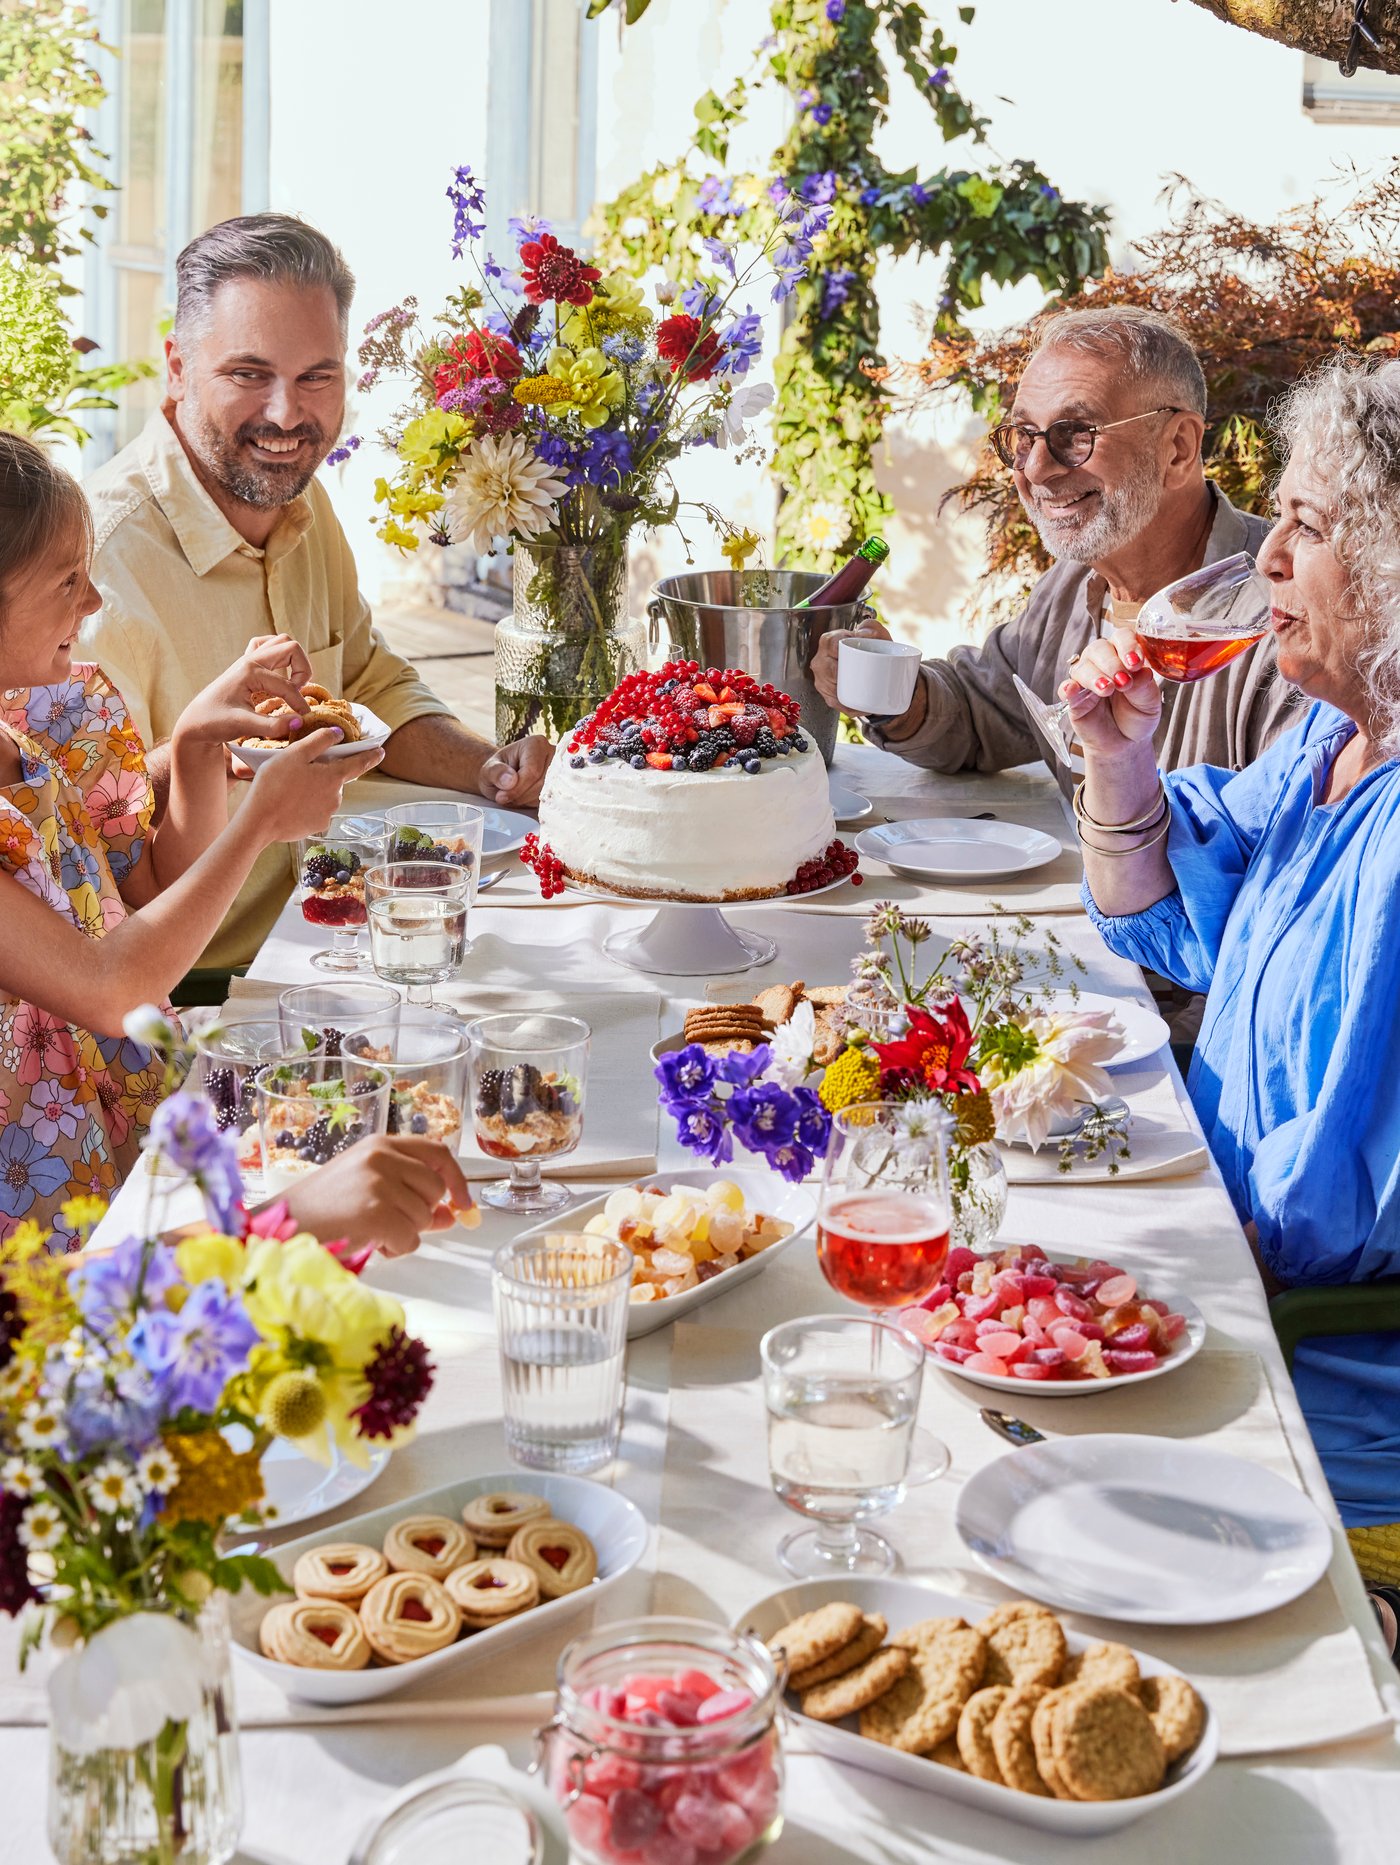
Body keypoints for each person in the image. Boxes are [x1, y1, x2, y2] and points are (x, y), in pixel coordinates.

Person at [1064, 356, 1400, 1604]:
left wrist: (1121, 1241)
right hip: (1228, 1288)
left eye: (1308, 529)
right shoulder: (1335, 729)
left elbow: (1325, 1214)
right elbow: (1174, 923)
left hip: (1319, 1415)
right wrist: (1115, 756)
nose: (1263, 557)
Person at [83, 213, 554, 973]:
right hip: (199, 996)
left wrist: (488, 768)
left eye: (316, 376)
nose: (286, 414)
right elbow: (81, 832)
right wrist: (208, 753)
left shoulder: (302, 504)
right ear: (175, 366)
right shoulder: (99, 564)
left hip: (330, 937)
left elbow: (368, 683)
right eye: (248, 374)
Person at [0, 431, 386, 1245]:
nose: (94, 601)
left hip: (123, 1117)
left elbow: (140, 886)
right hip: (41, 1196)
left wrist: (201, 746)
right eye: (69, 580)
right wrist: (258, 827)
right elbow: (111, 985)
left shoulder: (28, 725)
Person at [811, 306, 1296, 778]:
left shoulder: (1287, 608)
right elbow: (981, 714)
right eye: (1024, 436)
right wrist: (895, 694)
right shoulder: (1069, 588)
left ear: (1178, 449)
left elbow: (1294, 841)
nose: (1036, 469)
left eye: (1076, 433)